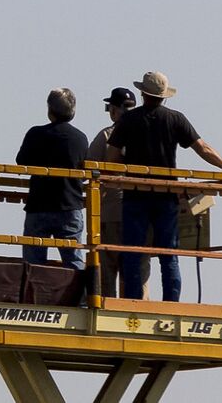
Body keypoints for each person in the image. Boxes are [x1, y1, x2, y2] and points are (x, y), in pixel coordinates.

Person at [107, 71, 222, 301]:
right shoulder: (176, 119)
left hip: (135, 194)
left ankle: (133, 301)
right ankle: (171, 302)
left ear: (143, 94)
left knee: (133, 252)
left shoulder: (128, 120)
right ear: (164, 96)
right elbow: (203, 148)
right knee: (169, 254)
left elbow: (111, 158)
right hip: (166, 196)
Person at [16, 88, 89, 269]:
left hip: (39, 206)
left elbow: (21, 161)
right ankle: (79, 297)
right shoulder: (80, 138)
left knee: (33, 262)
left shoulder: (36, 134)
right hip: (70, 205)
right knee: (74, 261)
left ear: (50, 110)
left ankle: (33, 297)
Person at [86, 87, 138, 296]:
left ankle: (106, 310)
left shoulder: (107, 135)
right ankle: (139, 309)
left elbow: (88, 168)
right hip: (139, 212)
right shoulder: (144, 133)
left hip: (110, 211)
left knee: (107, 268)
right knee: (136, 270)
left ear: (115, 111)